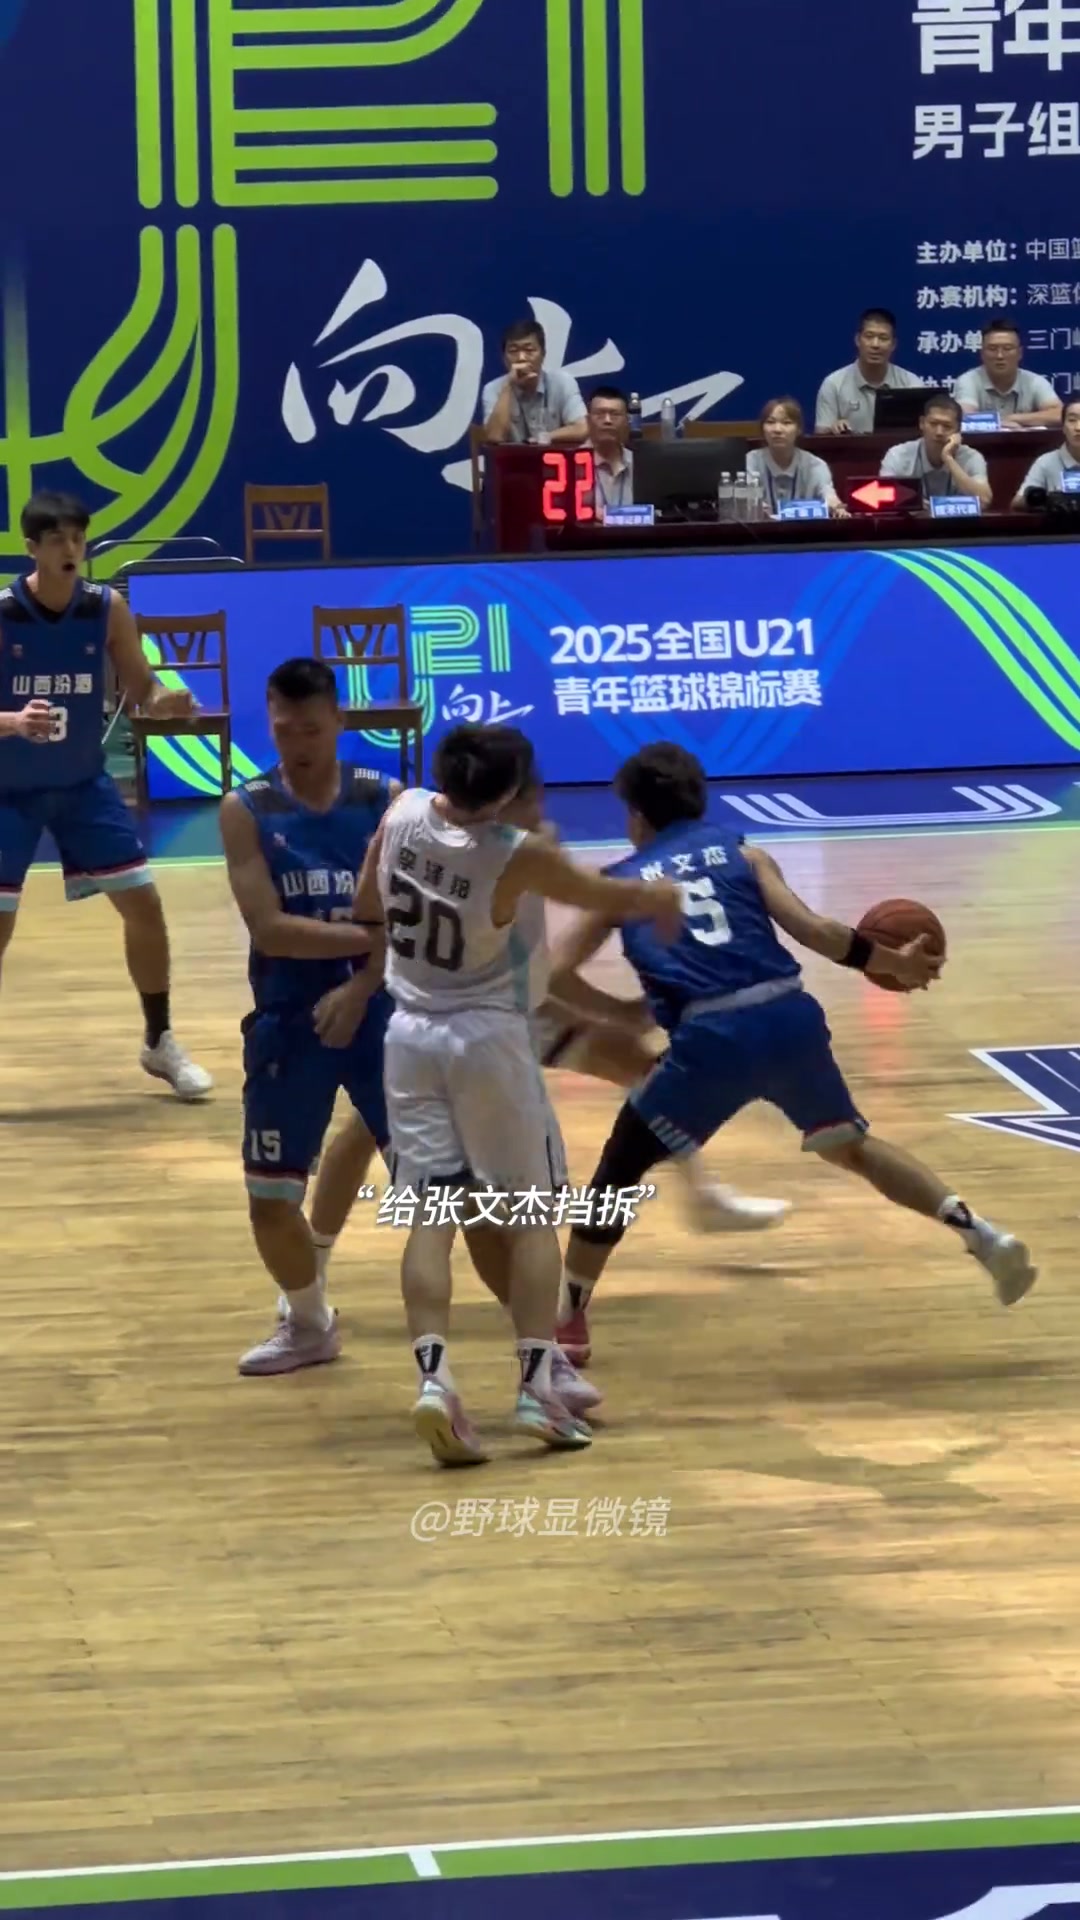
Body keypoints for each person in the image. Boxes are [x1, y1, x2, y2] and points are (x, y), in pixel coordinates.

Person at [550, 743, 1036, 1367]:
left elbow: (553, 972)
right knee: (852, 1146)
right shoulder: (744, 853)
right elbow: (819, 932)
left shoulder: (617, 882)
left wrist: (619, 1013)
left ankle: (568, 1320)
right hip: (790, 1017)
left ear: (637, 816)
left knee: (619, 1170)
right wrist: (893, 963)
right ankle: (982, 1235)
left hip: (712, 1038)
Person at [319, 723, 682, 1467]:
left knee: (430, 1220)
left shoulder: (402, 810)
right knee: (532, 1218)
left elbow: (364, 902)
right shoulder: (516, 853)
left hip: (408, 1035)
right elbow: (602, 895)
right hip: (487, 1040)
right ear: (512, 790)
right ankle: (534, 1386)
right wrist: (661, 894)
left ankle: (435, 1380)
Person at [304, 779, 790, 1325]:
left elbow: (539, 965)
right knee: (368, 1132)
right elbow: (549, 967)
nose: (542, 812)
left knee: (647, 1071)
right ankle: (310, 1271)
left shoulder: (523, 843)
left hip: (513, 1007)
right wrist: (622, 1007)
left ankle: (703, 1196)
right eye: (530, 800)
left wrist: (617, 1011)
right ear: (500, 800)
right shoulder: (475, 851)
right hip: (454, 1015)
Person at [220, 657, 399, 1376]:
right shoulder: (247, 809)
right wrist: (370, 940)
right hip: (290, 1018)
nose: (297, 742)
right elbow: (270, 930)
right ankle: (309, 1322)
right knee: (270, 1200)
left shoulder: (386, 801)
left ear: (340, 722)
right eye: (283, 728)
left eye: (312, 730)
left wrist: (364, 983)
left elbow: (415, 921)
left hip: (385, 1015)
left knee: (449, 1197)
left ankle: (536, 1345)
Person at [0, 491, 210, 1098]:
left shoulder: (106, 608)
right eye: (57, 540)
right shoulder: (5, 614)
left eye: (78, 538)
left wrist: (163, 702)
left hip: (82, 786)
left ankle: (159, 1041)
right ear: (32, 548)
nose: (71, 549)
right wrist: (13, 722)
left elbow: (141, 688)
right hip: (9, 791)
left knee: (144, 904)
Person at [481, 319, 588, 447]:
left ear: (543, 355)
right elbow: (494, 436)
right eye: (513, 351)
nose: (521, 358)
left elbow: (582, 429)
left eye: (529, 350)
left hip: (555, 457)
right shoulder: (493, 389)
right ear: (504, 358)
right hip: (512, 459)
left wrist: (545, 437)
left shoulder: (563, 382)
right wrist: (508, 385)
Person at [814, 308, 922, 435]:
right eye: (869, 336)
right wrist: (833, 430)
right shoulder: (834, 384)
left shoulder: (911, 384)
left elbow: (923, 436)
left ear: (893, 344)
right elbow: (821, 436)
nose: (875, 344)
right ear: (857, 340)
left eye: (883, 338)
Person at [879, 392, 992, 507]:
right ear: (922, 423)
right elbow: (884, 495)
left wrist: (949, 459)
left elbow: (984, 500)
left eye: (947, 426)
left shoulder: (972, 458)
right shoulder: (898, 455)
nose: (939, 432)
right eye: (933, 424)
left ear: (958, 429)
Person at [747, 398, 848, 517]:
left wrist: (836, 507)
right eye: (770, 422)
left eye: (786, 423)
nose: (777, 429)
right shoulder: (749, 461)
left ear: (798, 429)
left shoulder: (815, 465)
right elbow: (746, 500)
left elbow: (828, 494)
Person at [953, 321, 1062, 430]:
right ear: (982, 354)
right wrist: (1000, 423)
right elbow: (966, 418)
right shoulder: (968, 380)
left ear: (1020, 353)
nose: (1000, 356)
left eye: (1007, 348)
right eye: (992, 349)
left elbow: (1060, 415)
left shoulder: (1034, 381)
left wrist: (1014, 418)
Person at [1012, 397, 1080, 506]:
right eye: (1072, 420)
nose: (1078, 427)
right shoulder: (1046, 462)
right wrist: (1047, 500)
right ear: (1063, 427)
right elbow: (1017, 502)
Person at [585, 386, 635, 513]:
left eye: (615, 414)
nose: (607, 420)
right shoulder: (571, 466)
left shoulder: (641, 465)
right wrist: (586, 512)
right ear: (588, 420)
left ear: (627, 421)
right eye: (600, 414)